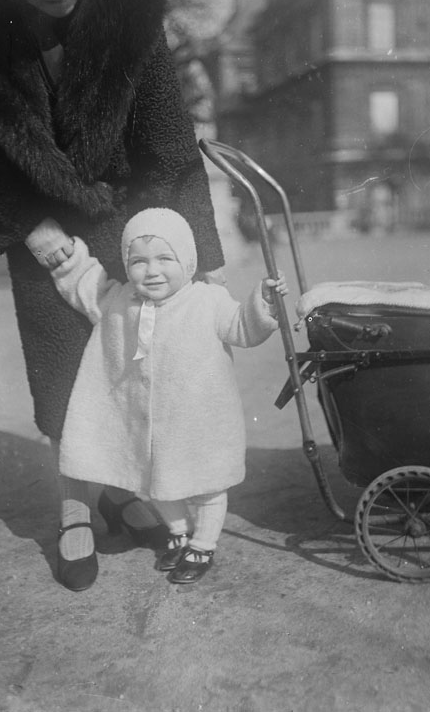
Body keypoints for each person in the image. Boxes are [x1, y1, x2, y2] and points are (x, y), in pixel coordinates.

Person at [0, 0, 226, 590]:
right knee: (62, 376)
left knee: (131, 366)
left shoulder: (129, 12)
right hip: (38, 225)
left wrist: (191, 255)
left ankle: (122, 494)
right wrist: (33, 230)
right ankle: (77, 509)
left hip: (127, 221)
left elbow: (171, 144)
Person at [48, 207, 287, 584]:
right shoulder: (119, 300)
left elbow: (243, 327)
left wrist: (265, 303)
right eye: (138, 261)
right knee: (155, 485)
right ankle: (178, 534)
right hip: (149, 429)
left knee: (208, 487)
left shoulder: (206, 300)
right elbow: (86, 285)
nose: (152, 270)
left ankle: (204, 543)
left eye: (165, 258)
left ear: (188, 261)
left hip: (198, 424)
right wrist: (66, 260)